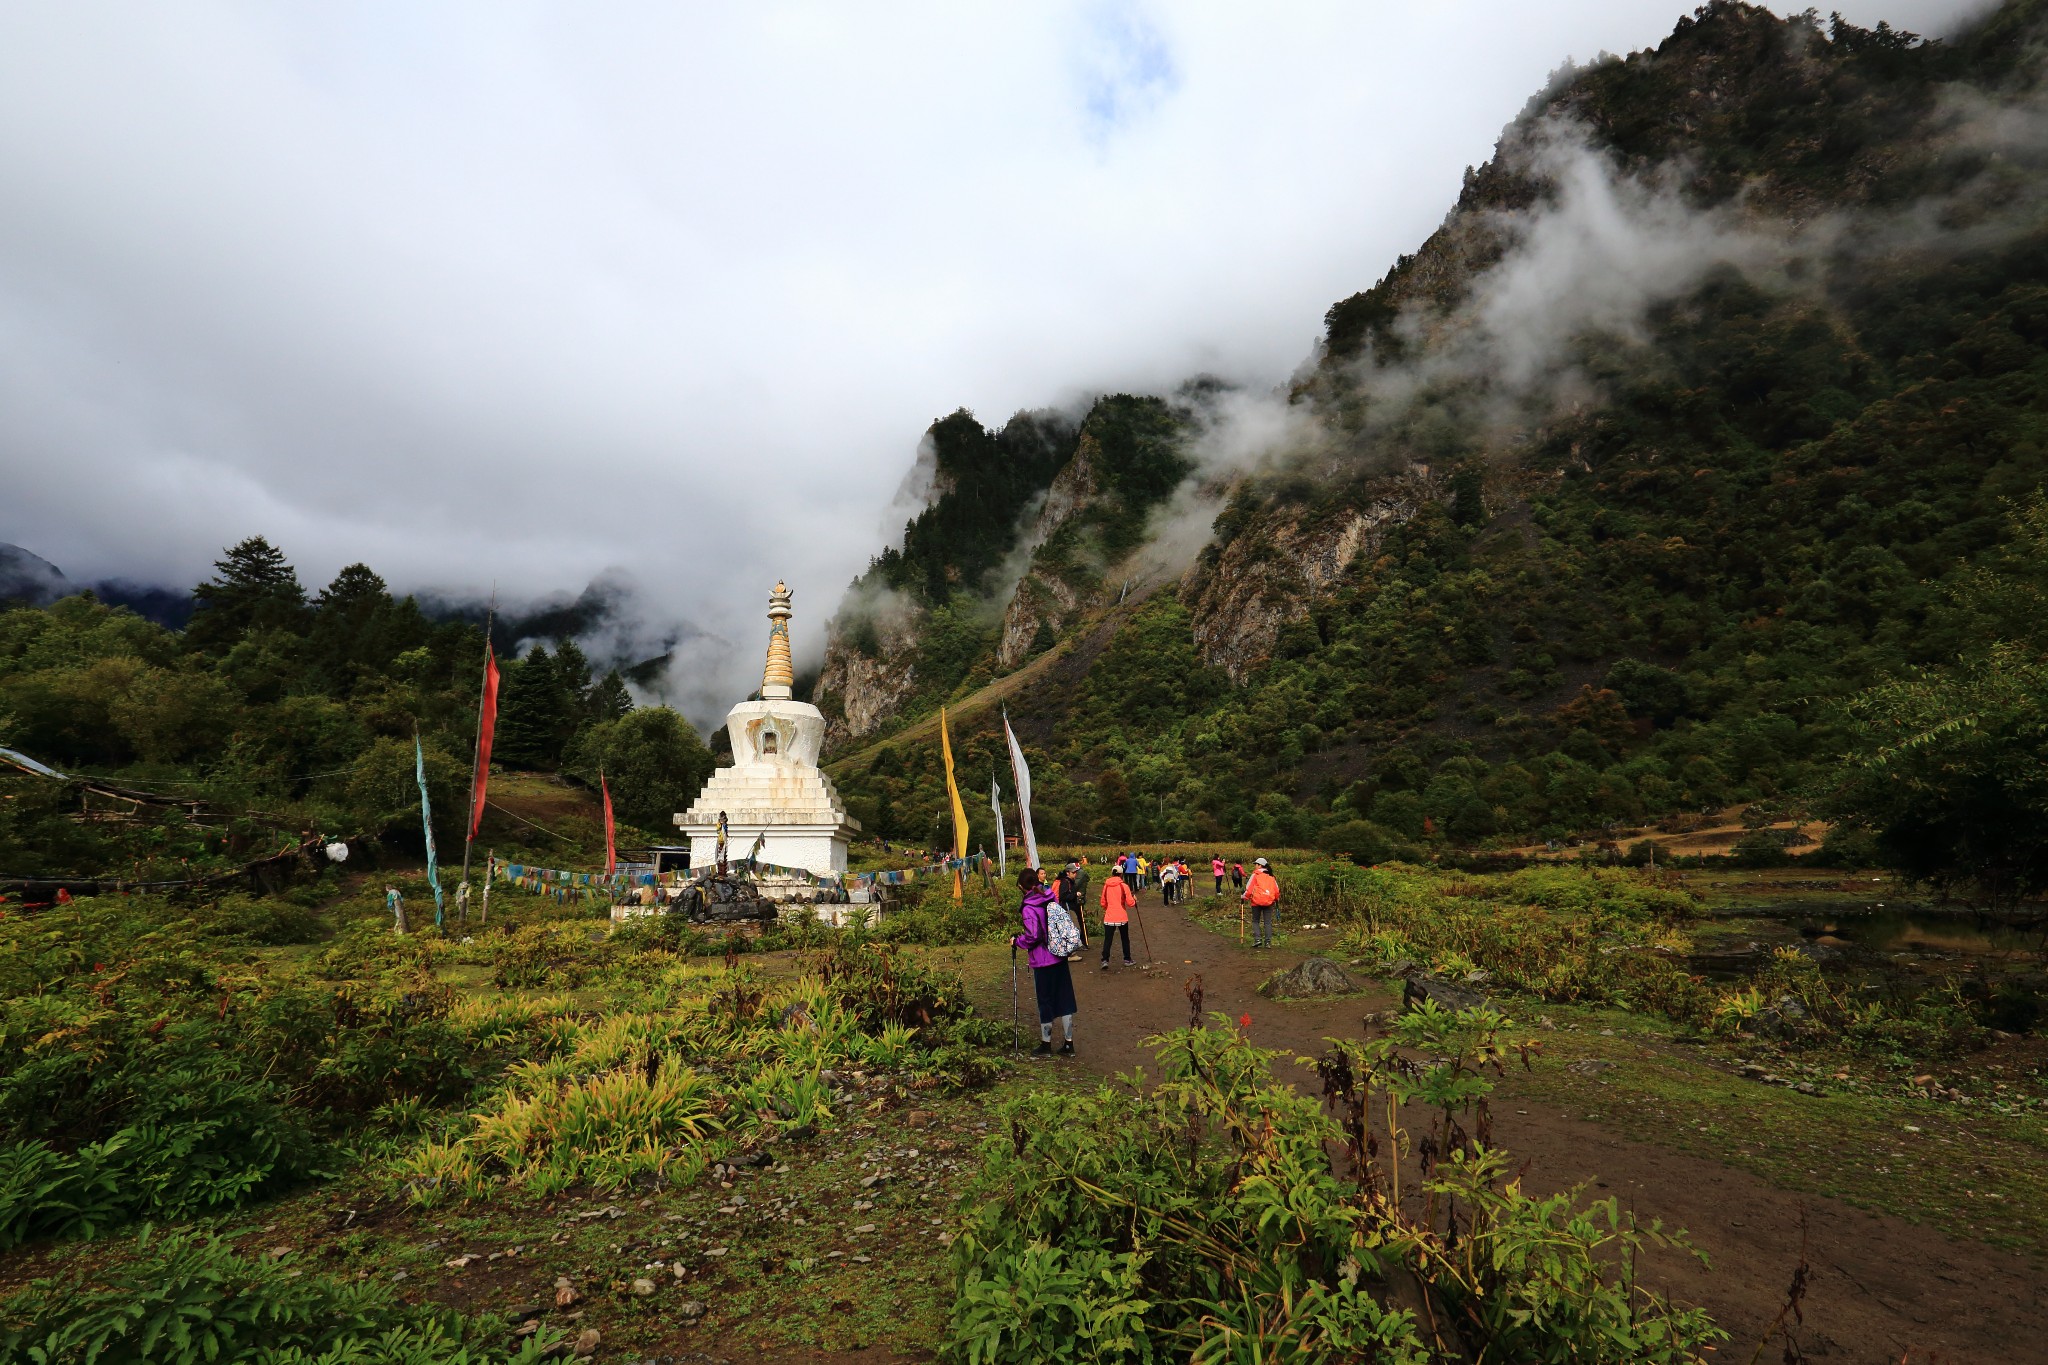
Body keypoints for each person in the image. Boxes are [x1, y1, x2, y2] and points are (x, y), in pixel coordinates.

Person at [1012, 868, 1076, 1057]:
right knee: (1065, 999)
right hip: (1060, 954)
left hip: (1043, 960)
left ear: (1022, 887)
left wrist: (1017, 941)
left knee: (1045, 1001)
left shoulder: (1029, 906)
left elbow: (1033, 936)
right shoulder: (1050, 896)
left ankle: (1046, 1044)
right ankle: (1068, 1044)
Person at [1099, 865, 1135, 968]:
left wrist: (1108, 908)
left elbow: (1103, 902)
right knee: (1124, 938)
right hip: (1122, 916)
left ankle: (1105, 960)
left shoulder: (1106, 885)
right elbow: (1130, 903)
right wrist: (1134, 900)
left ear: (1112, 873)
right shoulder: (1124, 886)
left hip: (1109, 916)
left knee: (1108, 939)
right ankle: (1127, 959)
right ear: (1121, 874)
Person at [1242, 857, 1280, 948]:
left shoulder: (1255, 875)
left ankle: (1258, 940)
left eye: (1256, 864)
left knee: (1255, 921)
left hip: (1256, 902)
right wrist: (1276, 899)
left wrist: (1244, 897)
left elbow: (1249, 889)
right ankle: (1268, 942)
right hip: (1269, 902)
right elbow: (1276, 890)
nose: (1255, 866)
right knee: (1267, 922)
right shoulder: (1271, 876)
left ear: (1260, 865)